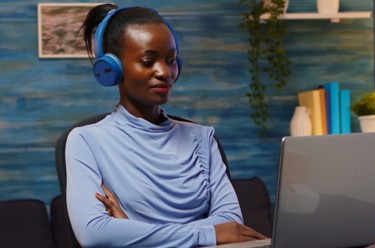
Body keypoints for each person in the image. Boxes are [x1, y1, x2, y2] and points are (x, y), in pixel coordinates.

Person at [65, 3, 267, 247]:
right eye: (148, 61)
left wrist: (131, 231)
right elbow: (94, 234)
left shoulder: (202, 139)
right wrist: (207, 234)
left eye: (171, 60)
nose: (165, 72)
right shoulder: (87, 141)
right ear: (112, 69)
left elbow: (231, 222)